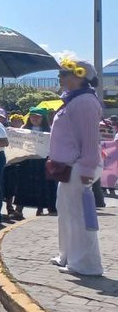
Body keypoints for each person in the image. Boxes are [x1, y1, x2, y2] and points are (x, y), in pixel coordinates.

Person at [49, 59, 104, 276]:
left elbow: (90, 139)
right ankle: (68, 256)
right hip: (70, 166)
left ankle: (86, 264)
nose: (60, 77)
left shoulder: (84, 102)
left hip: (79, 165)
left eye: (65, 73)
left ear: (80, 76)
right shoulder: (74, 100)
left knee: (79, 215)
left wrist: (88, 169)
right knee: (66, 211)